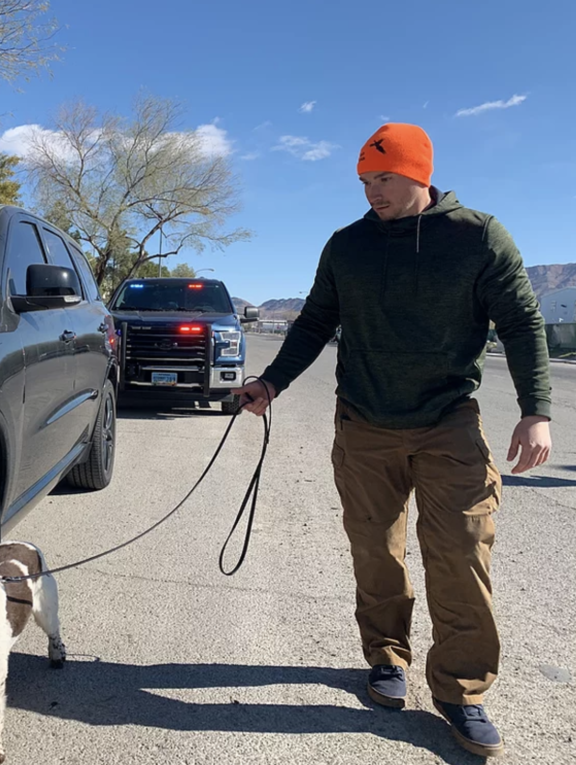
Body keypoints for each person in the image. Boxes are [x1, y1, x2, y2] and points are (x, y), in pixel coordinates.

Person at [233, 122, 552, 758]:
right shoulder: (347, 246)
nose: (373, 192)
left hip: (449, 421)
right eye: (365, 181)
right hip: (364, 424)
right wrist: (271, 383)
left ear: (420, 175)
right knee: (376, 550)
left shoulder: (478, 237)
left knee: (461, 553)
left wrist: (535, 410)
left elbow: (521, 322)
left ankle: (462, 690)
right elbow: (316, 322)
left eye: (385, 179)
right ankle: (385, 658)